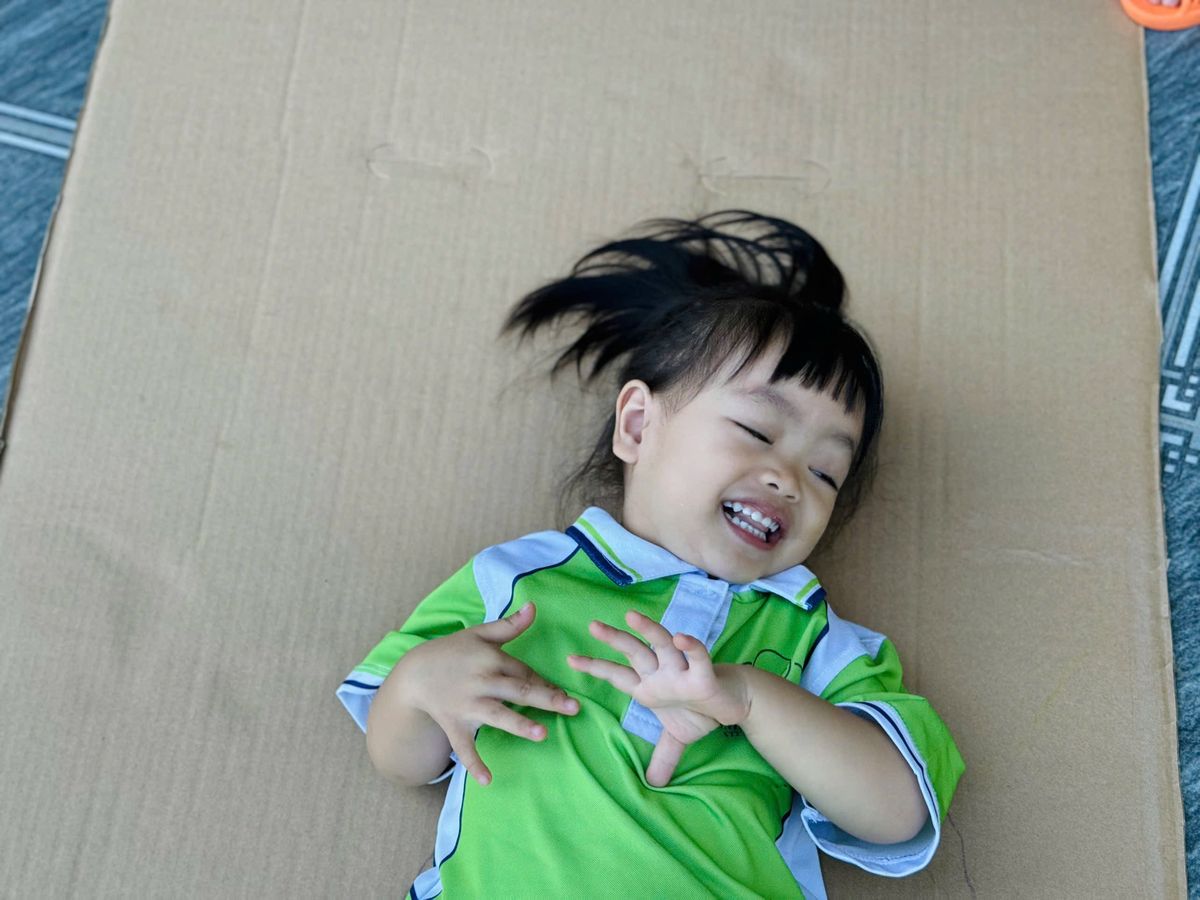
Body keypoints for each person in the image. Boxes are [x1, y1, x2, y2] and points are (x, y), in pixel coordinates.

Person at [337, 210, 965, 899]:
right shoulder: (515, 580)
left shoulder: (814, 638)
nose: (789, 480)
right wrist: (421, 685)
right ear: (638, 425)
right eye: (758, 430)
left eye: (825, 473)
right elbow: (402, 760)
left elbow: (897, 813)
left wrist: (748, 698)